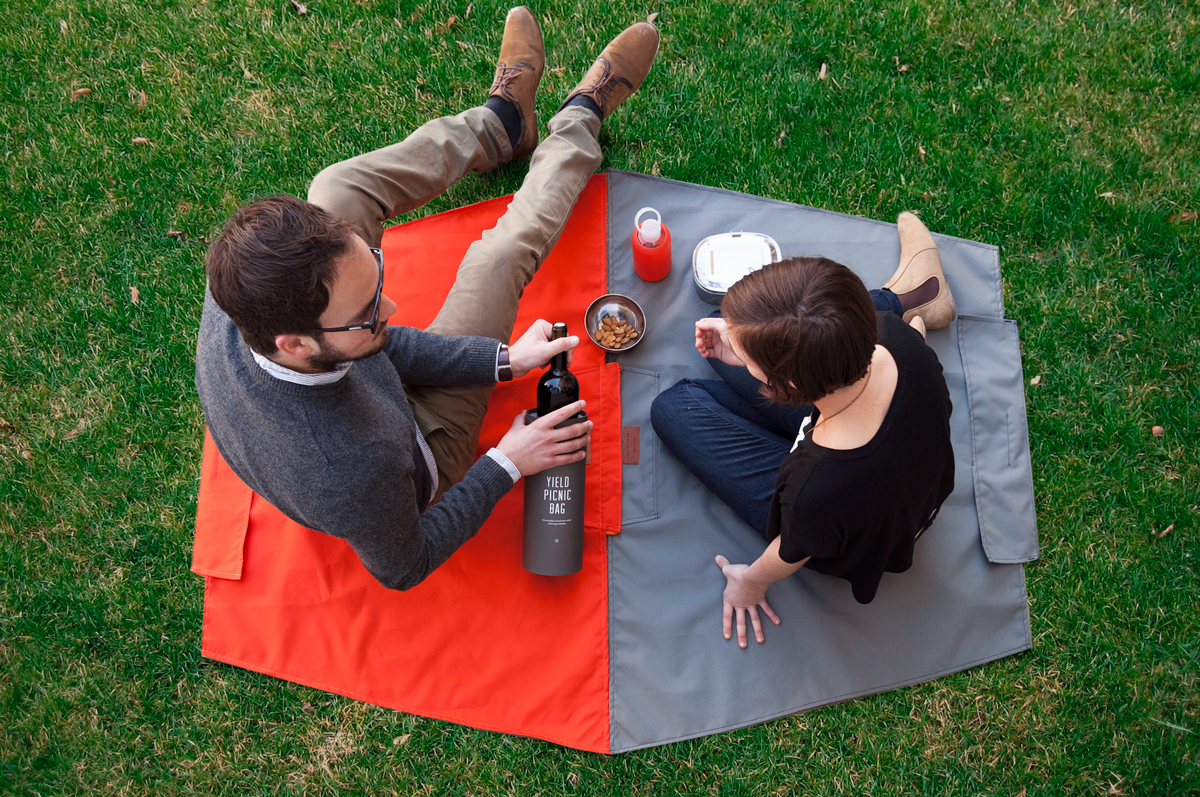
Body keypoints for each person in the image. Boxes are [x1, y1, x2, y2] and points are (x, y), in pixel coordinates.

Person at [195, 9, 660, 590]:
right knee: (494, 261)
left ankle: (503, 126)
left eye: (377, 279)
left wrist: (503, 362)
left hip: (358, 394)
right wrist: (511, 459)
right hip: (419, 447)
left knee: (335, 189)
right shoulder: (352, 469)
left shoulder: (236, 287)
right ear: (294, 343)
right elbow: (403, 567)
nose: (391, 310)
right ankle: (579, 123)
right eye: (367, 312)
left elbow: (380, 349)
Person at [651, 213, 956, 647]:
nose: (734, 349)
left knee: (673, 407)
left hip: (847, 523)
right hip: (861, 427)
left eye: (753, 362)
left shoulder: (815, 486)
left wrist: (750, 580)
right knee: (735, 320)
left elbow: (793, 548)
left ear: (788, 387)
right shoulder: (894, 340)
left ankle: (915, 293)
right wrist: (741, 344)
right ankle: (918, 296)